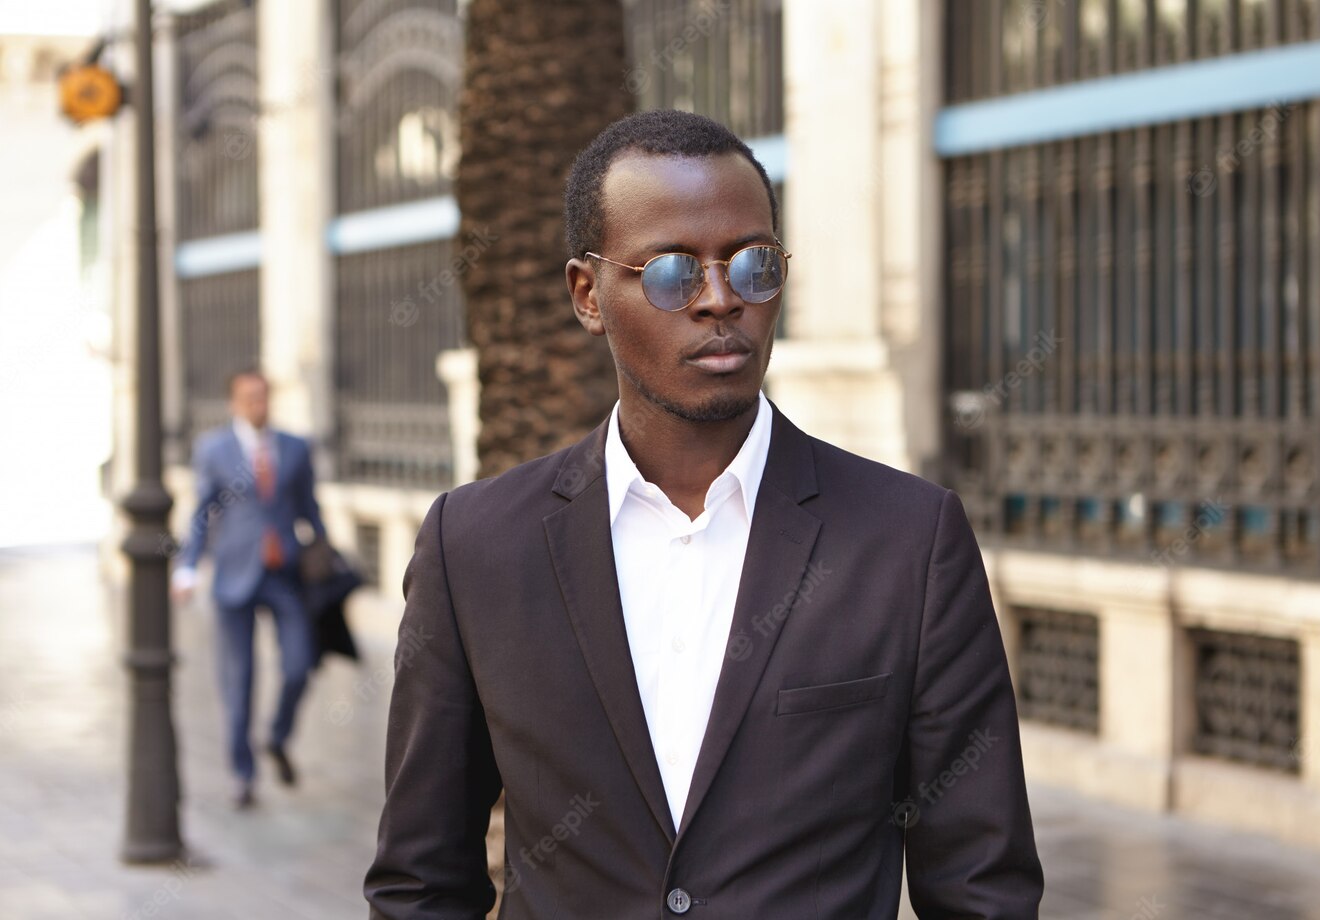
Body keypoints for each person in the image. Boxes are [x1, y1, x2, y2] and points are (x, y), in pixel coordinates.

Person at [364, 110, 1043, 918]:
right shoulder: (475, 546)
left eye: (752, 264)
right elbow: (421, 881)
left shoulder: (908, 540)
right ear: (588, 295)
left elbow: (980, 881)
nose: (721, 299)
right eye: (672, 272)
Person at [172, 368, 327, 809]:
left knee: (298, 666)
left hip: (285, 576)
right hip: (233, 577)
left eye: (263, 396)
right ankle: (243, 774)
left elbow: (309, 510)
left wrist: (326, 558)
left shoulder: (296, 448)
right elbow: (201, 513)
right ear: (233, 403)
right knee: (238, 682)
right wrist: (187, 567)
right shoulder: (214, 450)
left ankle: (277, 737)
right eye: (249, 398)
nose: (258, 404)